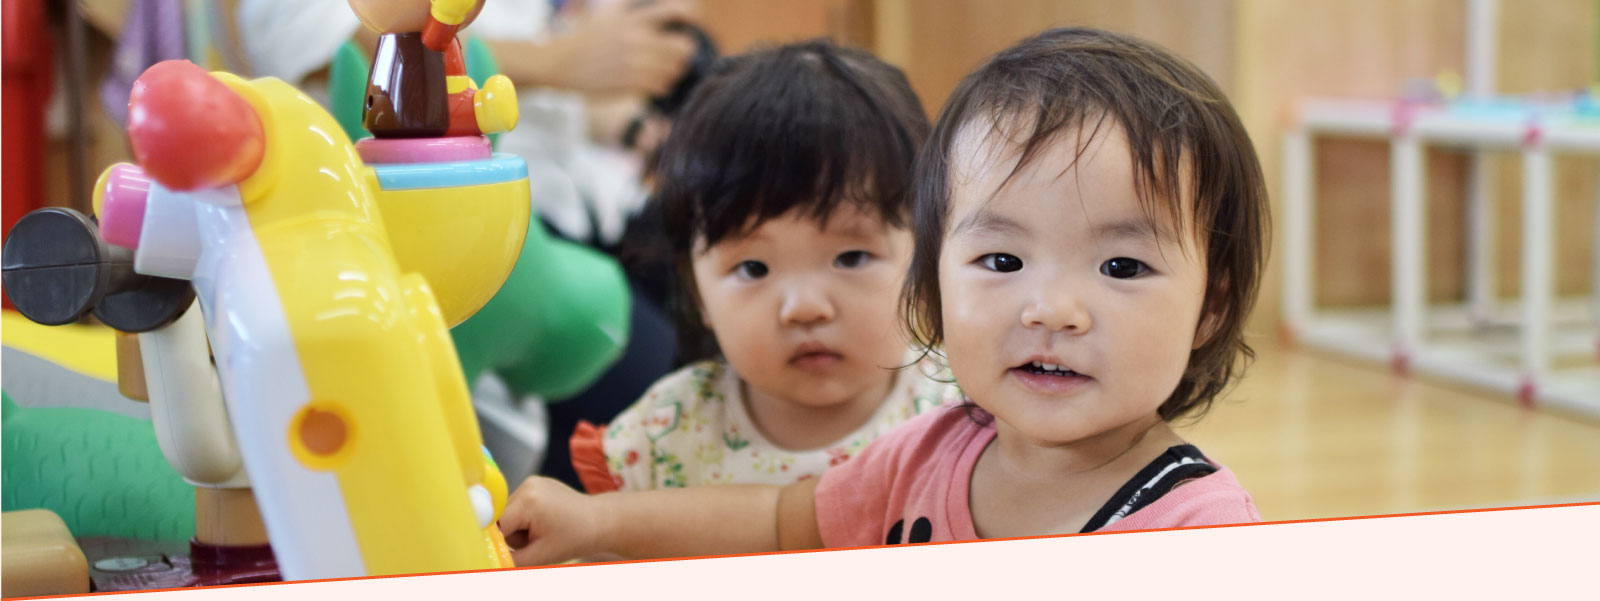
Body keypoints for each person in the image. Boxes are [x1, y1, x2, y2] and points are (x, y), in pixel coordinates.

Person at [497, 27, 1269, 563]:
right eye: (1002, 259)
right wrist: (595, 519)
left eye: (1122, 266)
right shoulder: (927, 451)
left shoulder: (1198, 529)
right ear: (933, 279)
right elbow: (776, 519)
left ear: (1210, 304)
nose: (1051, 309)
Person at [567, 39, 962, 494]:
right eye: (754, 268)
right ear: (697, 293)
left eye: (851, 257)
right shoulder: (661, 437)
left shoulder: (967, 415)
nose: (804, 308)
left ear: (925, 257)